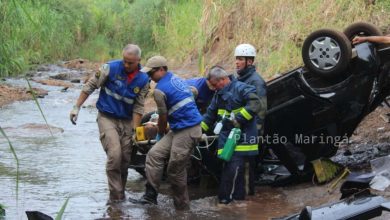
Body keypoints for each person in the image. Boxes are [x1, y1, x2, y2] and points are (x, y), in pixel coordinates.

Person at [69, 44, 149, 203]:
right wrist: (76, 107)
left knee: (126, 160)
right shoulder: (110, 68)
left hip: (127, 121)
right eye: (125, 61)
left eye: (131, 63)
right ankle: (116, 197)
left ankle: (120, 195)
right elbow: (90, 86)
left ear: (139, 60)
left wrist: (135, 130)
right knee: (115, 154)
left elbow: (139, 106)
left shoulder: (144, 79)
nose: (126, 65)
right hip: (107, 117)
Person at [134, 56, 202, 210]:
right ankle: (150, 196)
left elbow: (163, 119)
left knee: (175, 170)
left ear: (162, 69)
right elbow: (193, 92)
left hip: (188, 130)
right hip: (179, 128)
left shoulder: (159, 90)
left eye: (151, 73)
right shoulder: (176, 78)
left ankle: (182, 208)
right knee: (154, 155)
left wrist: (160, 133)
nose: (150, 77)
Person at [201, 66, 261, 204]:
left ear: (223, 79)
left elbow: (255, 103)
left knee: (235, 174)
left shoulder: (241, 88)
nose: (214, 89)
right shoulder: (218, 95)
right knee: (233, 174)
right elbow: (209, 116)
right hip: (228, 142)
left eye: (215, 85)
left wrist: (238, 119)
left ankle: (230, 205)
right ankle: (235, 205)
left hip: (242, 140)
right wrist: (198, 132)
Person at [234, 43, 267, 194]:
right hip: (238, 131)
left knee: (247, 171)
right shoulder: (240, 79)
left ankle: (248, 204)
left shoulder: (256, 81)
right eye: (236, 59)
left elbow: (260, 110)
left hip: (249, 134)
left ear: (250, 61)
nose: (237, 62)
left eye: (240, 59)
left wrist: (255, 136)